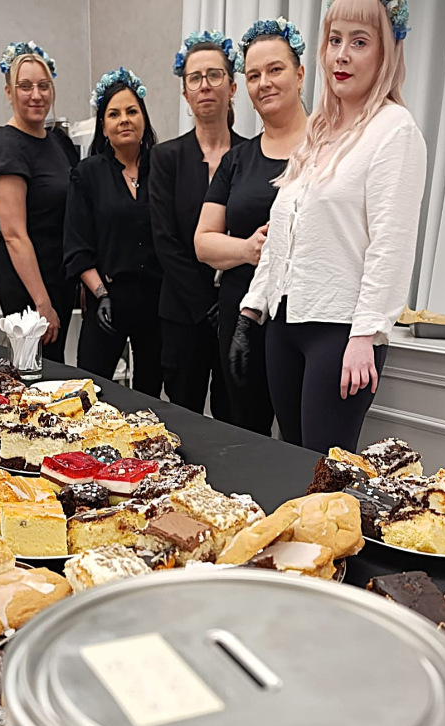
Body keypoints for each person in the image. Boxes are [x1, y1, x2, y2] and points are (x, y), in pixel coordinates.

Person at [231, 0, 426, 454]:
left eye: (359, 42)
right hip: (285, 322)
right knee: (291, 460)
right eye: (335, 40)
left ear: (385, 52)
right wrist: (251, 310)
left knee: (324, 473)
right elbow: (284, 230)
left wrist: (366, 335)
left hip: (339, 331)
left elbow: (391, 243)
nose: (341, 55)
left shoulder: (395, 130)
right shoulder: (319, 130)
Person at [195, 19, 308, 436]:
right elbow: (203, 242)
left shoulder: (329, 149)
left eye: (275, 70)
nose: (264, 83)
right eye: (254, 75)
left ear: (299, 74)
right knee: (245, 433)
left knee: (302, 438)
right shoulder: (237, 160)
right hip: (241, 314)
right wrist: (248, 249)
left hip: (304, 316)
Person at [149, 31, 246, 420]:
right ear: (185, 93)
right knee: (182, 420)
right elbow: (165, 241)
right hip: (182, 314)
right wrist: (207, 305)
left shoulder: (251, 155)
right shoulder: (165, 158)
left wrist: (228, 306)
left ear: (232, 87)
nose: (205, 85)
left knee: (236, 418)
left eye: (214, 75)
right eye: (195, 78)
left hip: (239, 312)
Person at [62, 69, 162, 396]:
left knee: (150, 397)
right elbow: (77, 246)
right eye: (114, 114)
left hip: (157, 303)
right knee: (91, 392)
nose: (124, 120)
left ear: (144, 119)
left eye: (132, 111)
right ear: (103, 126)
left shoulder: (163, 169)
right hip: (106, 298)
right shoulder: (87, 174)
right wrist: (101, 294)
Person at [0, 40, 80, 363]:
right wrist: (42, 302)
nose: (36, 95)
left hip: (59, 275)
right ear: (9, 92)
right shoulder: (4, 143)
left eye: (43, 86)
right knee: (33, 369)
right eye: (25, 86)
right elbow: (14, 234)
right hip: (28, 282)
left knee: (56, 364)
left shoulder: (60, 142)